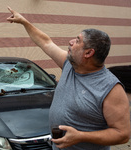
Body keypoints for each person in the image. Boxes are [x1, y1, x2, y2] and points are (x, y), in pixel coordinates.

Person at [7, 7, 130, 150]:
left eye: (78, 40)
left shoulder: (110, 89)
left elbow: (122, 134)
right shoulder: (69, 66)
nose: (71, 42)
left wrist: (81, 136)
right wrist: (24, 22)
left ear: (89, 53)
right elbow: (46, 42)